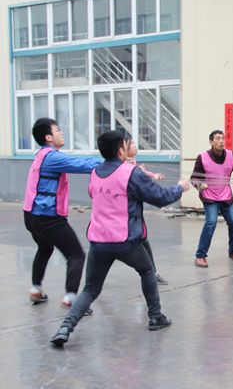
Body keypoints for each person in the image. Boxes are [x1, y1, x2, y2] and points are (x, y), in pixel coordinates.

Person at [50, 130, 190, 345]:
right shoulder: (130, 173)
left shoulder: (95, 172)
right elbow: (160, 198)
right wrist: (180, 188)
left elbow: (96, 194)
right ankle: (156, 317)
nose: (129, 146)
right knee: (147, 270)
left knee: (90, 288)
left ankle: (65, 327)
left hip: (98, 241)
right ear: (120, 150)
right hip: (125, 240)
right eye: (127, 143)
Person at [24, 118, 102, 309]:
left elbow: (78, 161)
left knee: (45, 248)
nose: (62, 133)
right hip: (47, 217)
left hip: (31, 216)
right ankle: (71, 298)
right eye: (58, 130)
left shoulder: (42, 155)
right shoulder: (52, 157)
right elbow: (82, 164)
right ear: (48, 137)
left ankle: (36, 289)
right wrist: (114, 163)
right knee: (76, 254)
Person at [191, 130, 233, 268]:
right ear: (211, 142)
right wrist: (200, 185)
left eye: (223, 138)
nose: (221, 141)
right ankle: (200, 255)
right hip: (210, 197)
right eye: (218, 139)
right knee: (211, 223)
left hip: (226, 197)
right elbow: (194, 178)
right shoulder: (202, 157)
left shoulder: (230, 155)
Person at [125, 139, 169, 285]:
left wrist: (153, 176)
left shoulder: (133, 162)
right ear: (122, 149)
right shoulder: (121, 166)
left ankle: (153, 273)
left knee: (144, 241)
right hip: (124, 216)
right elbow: (136, 176)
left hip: (134, 216)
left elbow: (139, 172)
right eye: (131, 144)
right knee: (107, 252)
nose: (134, 145)